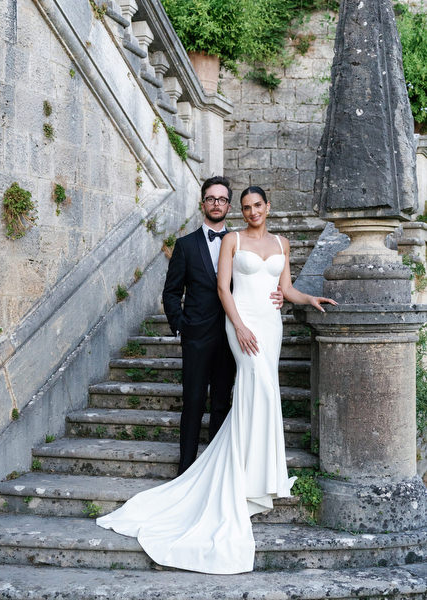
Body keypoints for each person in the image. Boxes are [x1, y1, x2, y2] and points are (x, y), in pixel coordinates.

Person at [96, 185, 336, 575]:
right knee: (222, 393)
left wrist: (308, 299)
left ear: (267, 207)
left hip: (269, 324)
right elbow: (219, 288)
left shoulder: (281, 242)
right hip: (231, 326)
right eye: (244, 206)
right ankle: (216, 471)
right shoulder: (222, 241)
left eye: (256, 204)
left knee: (258, 392)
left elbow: (285, 287)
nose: (251, 210)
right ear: (226, 208)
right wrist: (227, 325)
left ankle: (262, 472)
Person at [162, 175, 283, 475]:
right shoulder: (185, 245)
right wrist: (181, 327)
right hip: (197, 336)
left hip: (233, 336)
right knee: (192, 404)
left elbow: (260, 280)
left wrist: (279, 293)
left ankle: (216, 471)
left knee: (222, 405)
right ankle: (186, 470)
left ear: (230, 206)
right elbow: (171, 292)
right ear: (202, 203)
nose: (216, 204)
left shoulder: (241, 242)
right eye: (210, 199)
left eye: (222, 199)